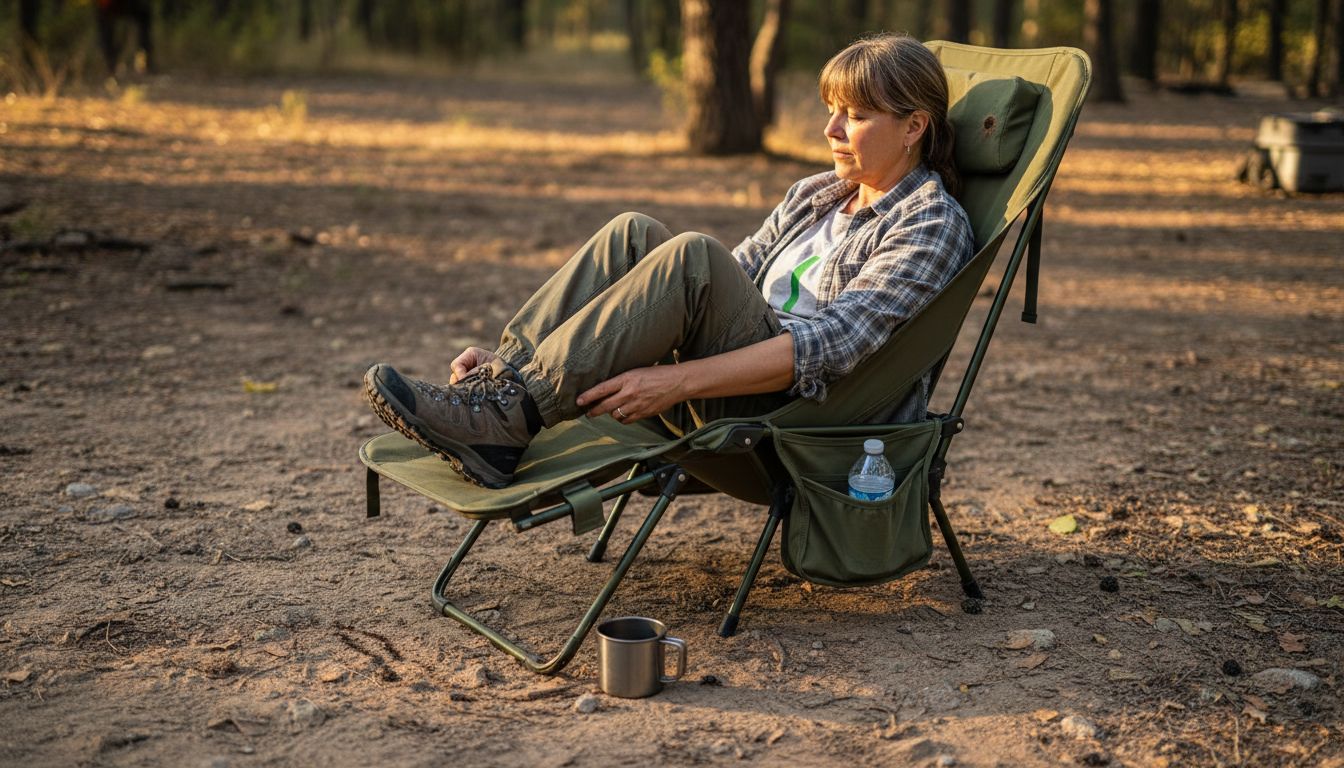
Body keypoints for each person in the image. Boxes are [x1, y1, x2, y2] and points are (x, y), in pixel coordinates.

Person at [364, 33, 975, 489]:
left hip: (801, 414)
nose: (831, 130)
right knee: (635, 233)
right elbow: (727, 279)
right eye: (832, 110)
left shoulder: (931, 223)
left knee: (692, 257)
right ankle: (505, 385)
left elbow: (832, 347)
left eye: (857, 116)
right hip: (741, 369)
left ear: (913, 126)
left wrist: (674, 381)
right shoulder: (819, 194)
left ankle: (506, 416)